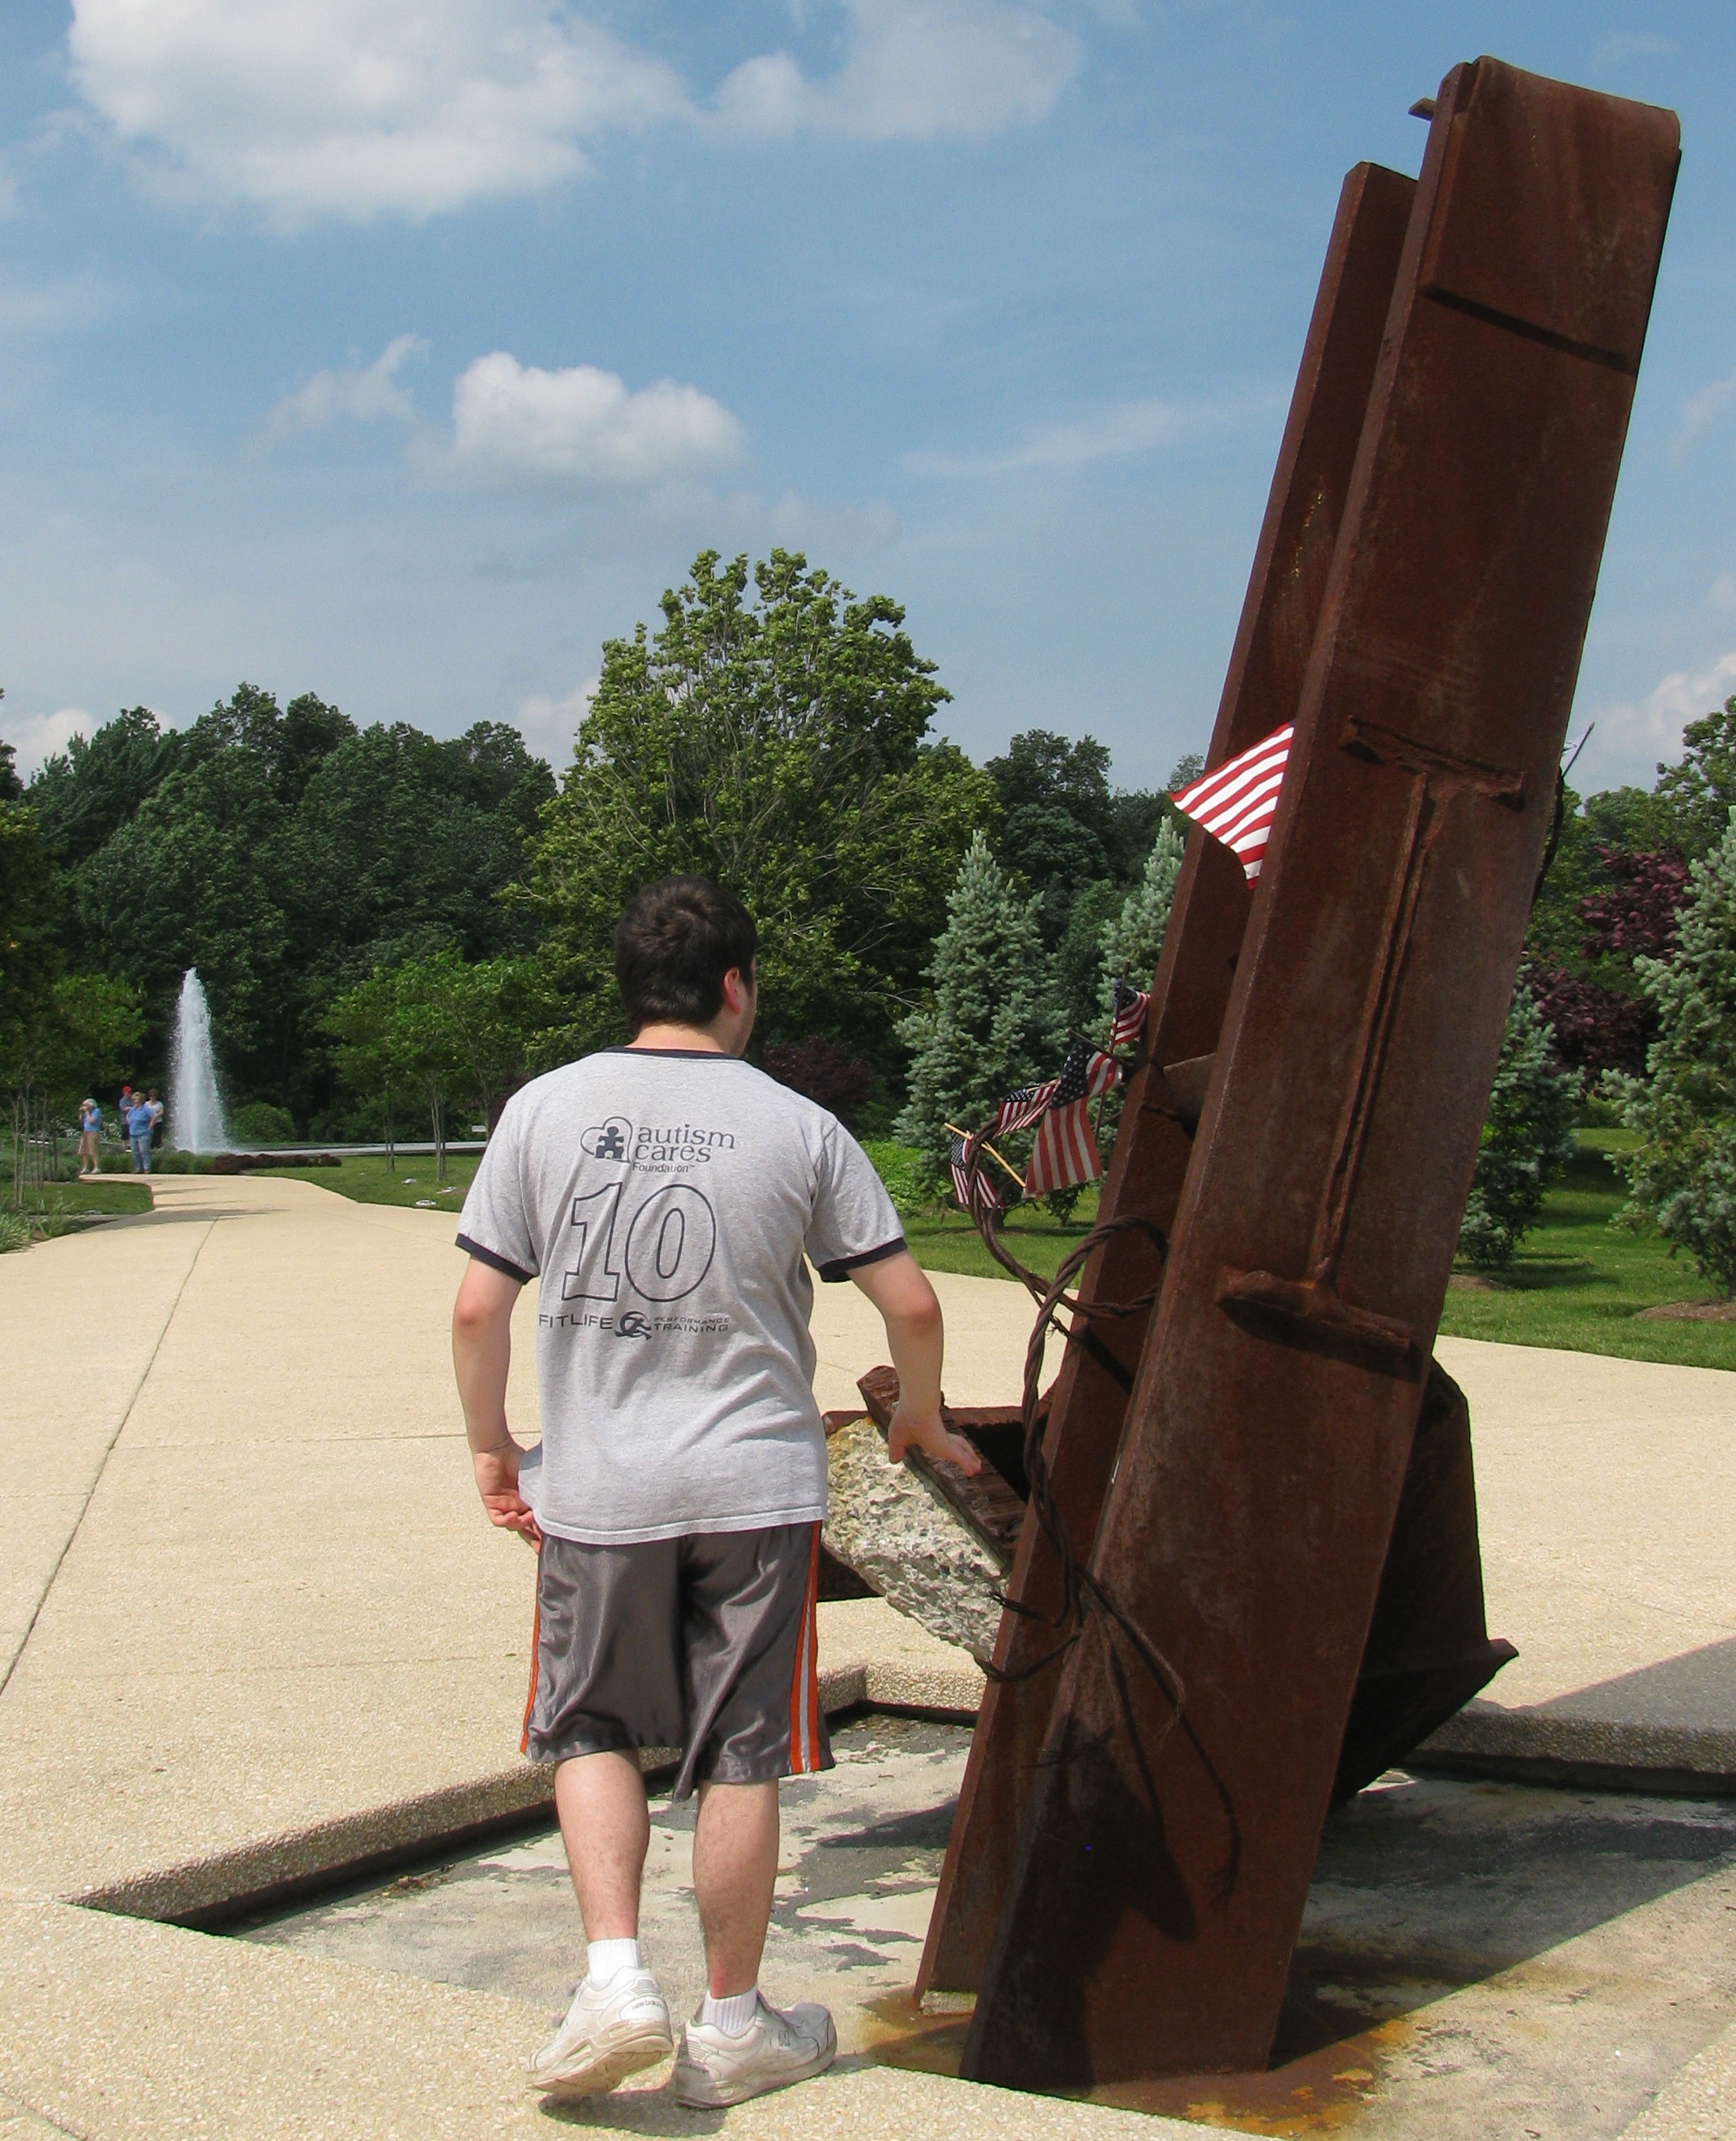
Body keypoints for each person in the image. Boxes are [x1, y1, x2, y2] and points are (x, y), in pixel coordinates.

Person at [450, 876, 978, 2109]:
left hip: (600, 1487)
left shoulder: (542, 1110)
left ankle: (615, 1982)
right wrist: (918, 1413)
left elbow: (478, 1307)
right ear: (736, 986)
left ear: (633, 985)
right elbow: (909, 1304)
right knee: (744, 1753)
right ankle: (733, 2027)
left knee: (588, 1729)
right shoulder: (798, 1125)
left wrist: (491, 1449)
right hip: (755, 1487)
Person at [126, 1091, 153, 1173]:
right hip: (133, 1134)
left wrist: (150, 1125)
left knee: (144, 1151)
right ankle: (137, 1168)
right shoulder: (132, 1110)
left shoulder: (145, 1109)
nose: (134, 1101)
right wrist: (129, 1122)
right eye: (133, 1100)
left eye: (135, 1099)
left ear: (140, 1100)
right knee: (135, 1152)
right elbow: (127, 1116)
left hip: (143, 1133)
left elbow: (154, 1116)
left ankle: (147, 1168)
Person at [77, 1098, 101, 1178]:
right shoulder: (85, 1113)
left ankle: (96, 1167)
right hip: (85, 1131)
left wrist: (87, 1112)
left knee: (92, 1149)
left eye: (86, 1105)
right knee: (84, 1150)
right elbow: (81, 1121)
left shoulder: (97, 1111)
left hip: (93, 1131)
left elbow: (91, 1121)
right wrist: (81, 1113)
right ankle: (85, 1167)